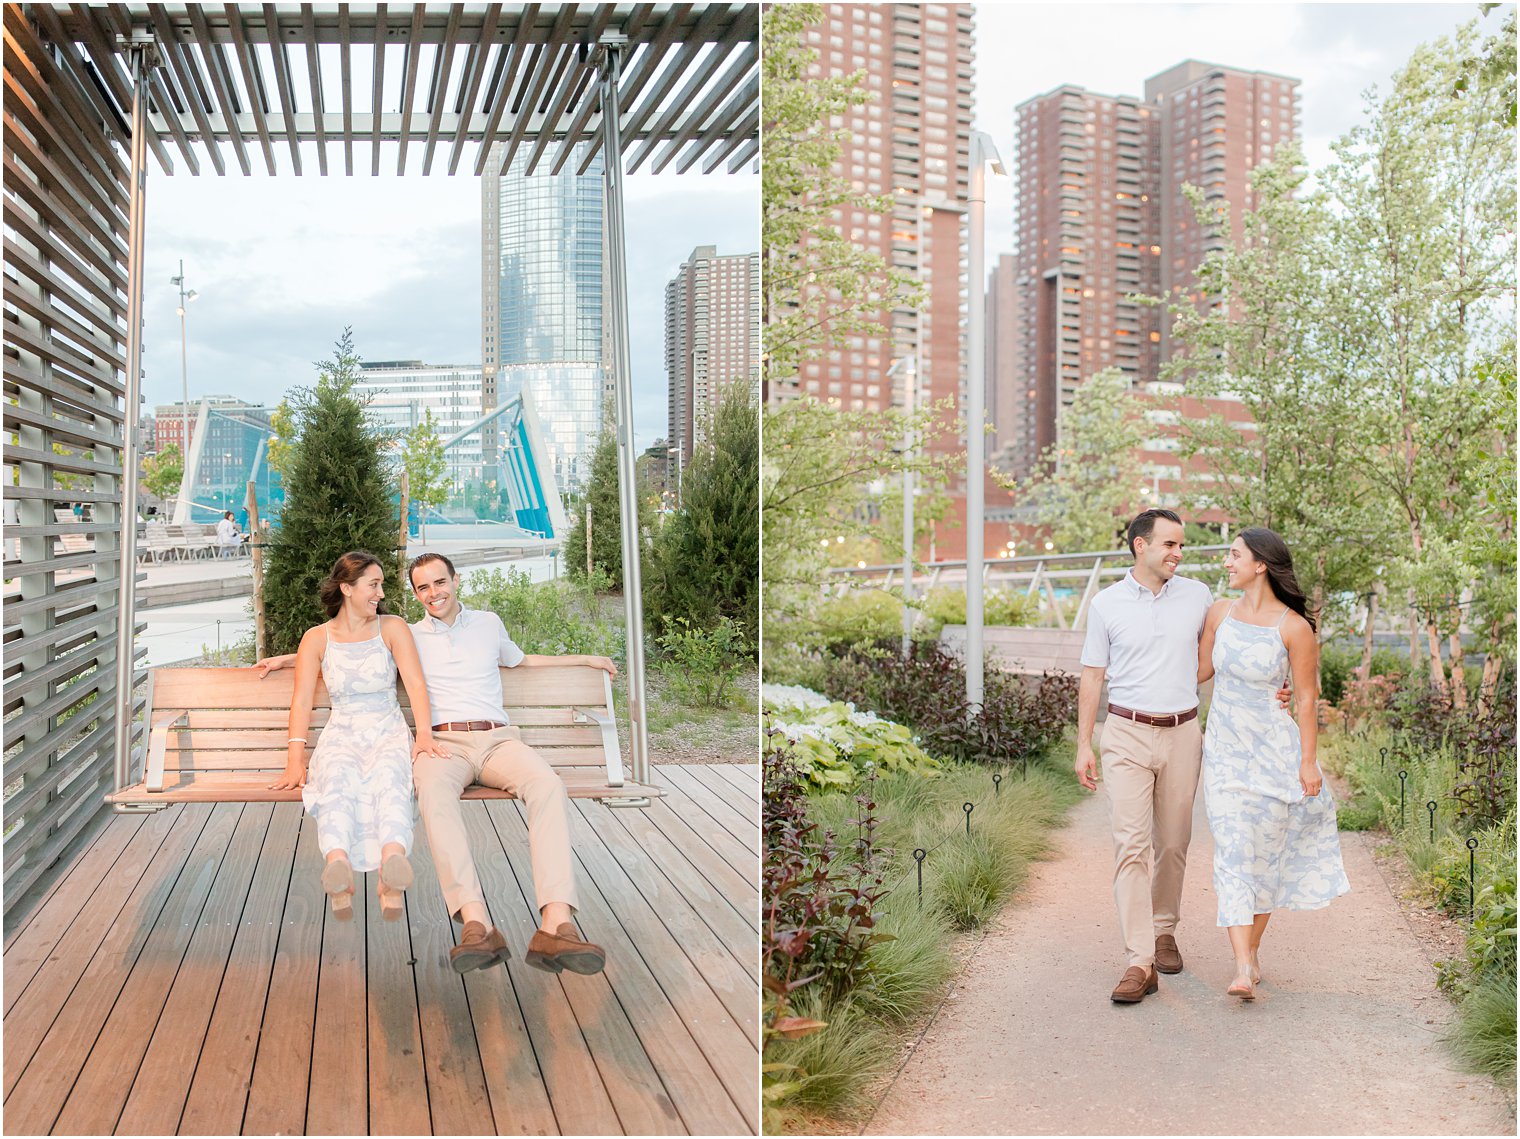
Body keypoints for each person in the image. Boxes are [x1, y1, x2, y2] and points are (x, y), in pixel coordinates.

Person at [258, 551, 615, 976]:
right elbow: (346, 644)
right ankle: (476, 923)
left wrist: (585, 660)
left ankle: (557, 924)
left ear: (455, 580)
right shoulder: (405, 633)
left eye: (439, 583)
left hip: (498, 739)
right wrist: (286, 659)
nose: (433, 594)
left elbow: (522, 660)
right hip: (442, 745)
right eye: (423, 588)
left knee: (548, 785)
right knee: (433, 794)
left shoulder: (488, 623)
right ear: (415, 594)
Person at [1197, 527, 1349, 1000]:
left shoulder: (1294, 628)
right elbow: (1197, 672)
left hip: (1274, 755)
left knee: (1265, 862)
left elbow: (1306, 700)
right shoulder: (1219, 613)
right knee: (1233, 853)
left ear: (1261, 563)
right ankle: (1243, 966)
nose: (1227, 562)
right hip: (1223, 753)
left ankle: (1250, 952)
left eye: (1234, 554)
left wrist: (1308, 763)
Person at [1076, 509, 1214, 1003]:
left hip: (1182, 732)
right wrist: (1082, 745)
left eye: (1181, 546)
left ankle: (1164, 931)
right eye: (1169, 545)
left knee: (1174, 843)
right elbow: (1092, 676)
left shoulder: (1199, 596)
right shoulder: (1107, 603)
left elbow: (1226, 650)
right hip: (1126, 733)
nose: (1178, 553)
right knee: (1130, 846)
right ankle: (1139, 961)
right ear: (1140, 546)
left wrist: (1276, 688)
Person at [269, 551, 449, 921]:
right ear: (347, 588)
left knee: (391, 780)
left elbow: (415, 684)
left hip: (387, 729)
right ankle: (338, 867)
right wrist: (294, 761)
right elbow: (301, 702)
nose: (381, 593)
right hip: (342, 733)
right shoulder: (316, 639)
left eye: (381, 585)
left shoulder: (392, 628)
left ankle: (392, 865)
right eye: (374, 585)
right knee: (336, 779)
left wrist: (424, 737)